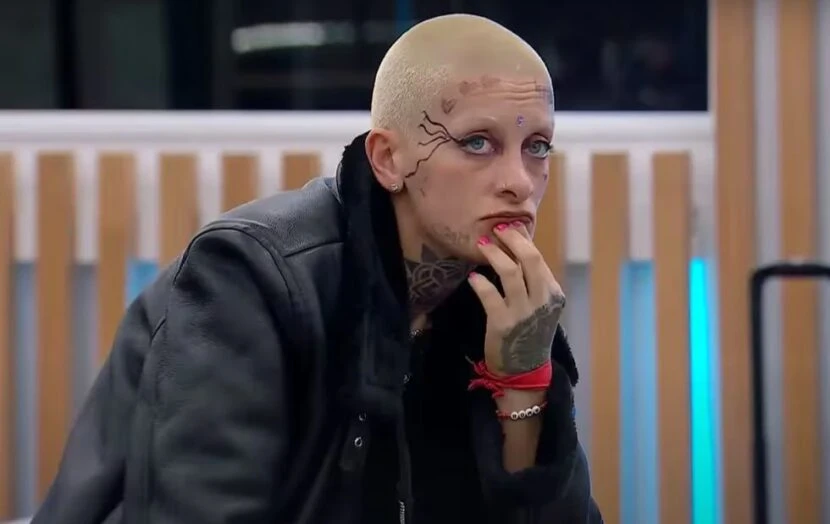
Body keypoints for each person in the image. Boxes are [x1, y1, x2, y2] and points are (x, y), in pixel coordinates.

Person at [32, 13, 603, 524]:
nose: (519, 182)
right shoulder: (250, 278)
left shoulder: (506, 303)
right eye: (478, 143)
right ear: (387, 159)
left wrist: (522, 380)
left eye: (538, 146)